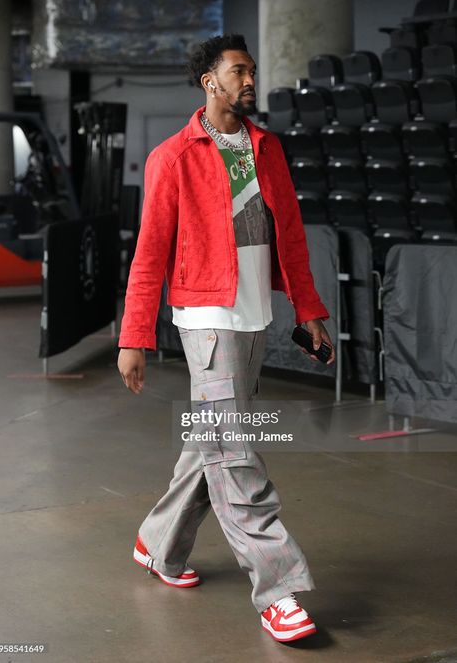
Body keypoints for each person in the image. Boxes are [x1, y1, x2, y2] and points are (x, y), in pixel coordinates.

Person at [117, 34, 335, 644]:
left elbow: (289, 236)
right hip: (206, 316)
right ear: (208, 81)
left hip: (255, 313)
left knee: (212, 442)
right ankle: (279, 588)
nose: (248, 80)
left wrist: (309, 310)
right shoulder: (173, 156)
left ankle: (156, 543)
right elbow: (149, 254)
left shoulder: (266, 147)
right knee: (236, 452)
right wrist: (133, 335)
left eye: (251, 70)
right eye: (238, 70)